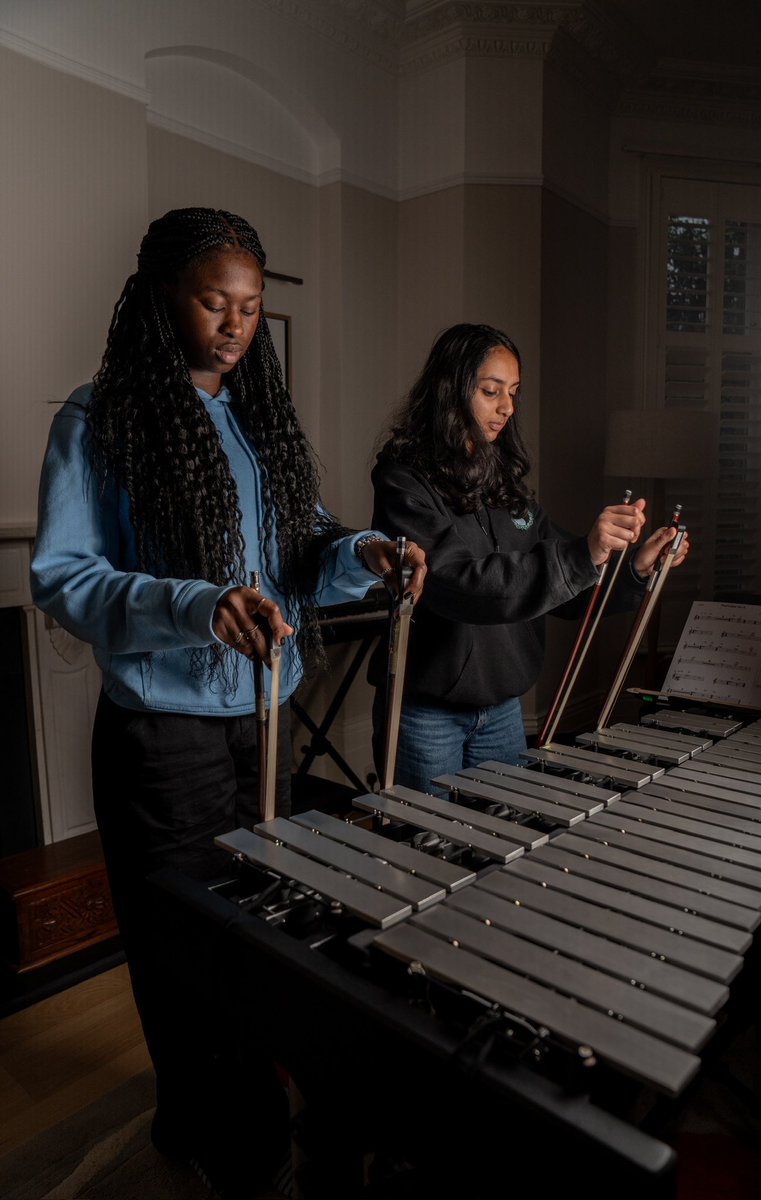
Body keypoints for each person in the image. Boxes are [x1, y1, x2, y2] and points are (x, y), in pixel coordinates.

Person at [29, 207, 426, 1199]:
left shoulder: (256, 424)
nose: (235, 323)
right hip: (159, 741)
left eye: (248, 307)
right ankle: (246, 1158)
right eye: (215, 301)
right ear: (161, 295)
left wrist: (360, 557)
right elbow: (64, 578)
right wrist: (201, 608)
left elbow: (298, 550)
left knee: (249, 944)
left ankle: (186, 1113)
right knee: (188, 958)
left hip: (255, 733)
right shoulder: (99, 418)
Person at [369, 322, 689, 792]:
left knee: (501, 847)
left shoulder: (506, 482)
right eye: (491, 390)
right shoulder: (403, 481)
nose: (507, 407)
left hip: (502, 712)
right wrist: (584, 552)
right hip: (426, 712)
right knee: (425, 850)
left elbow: (563, 591)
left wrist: (637, 567)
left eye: (513, 392)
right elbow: (460, 585)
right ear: (451, 390)